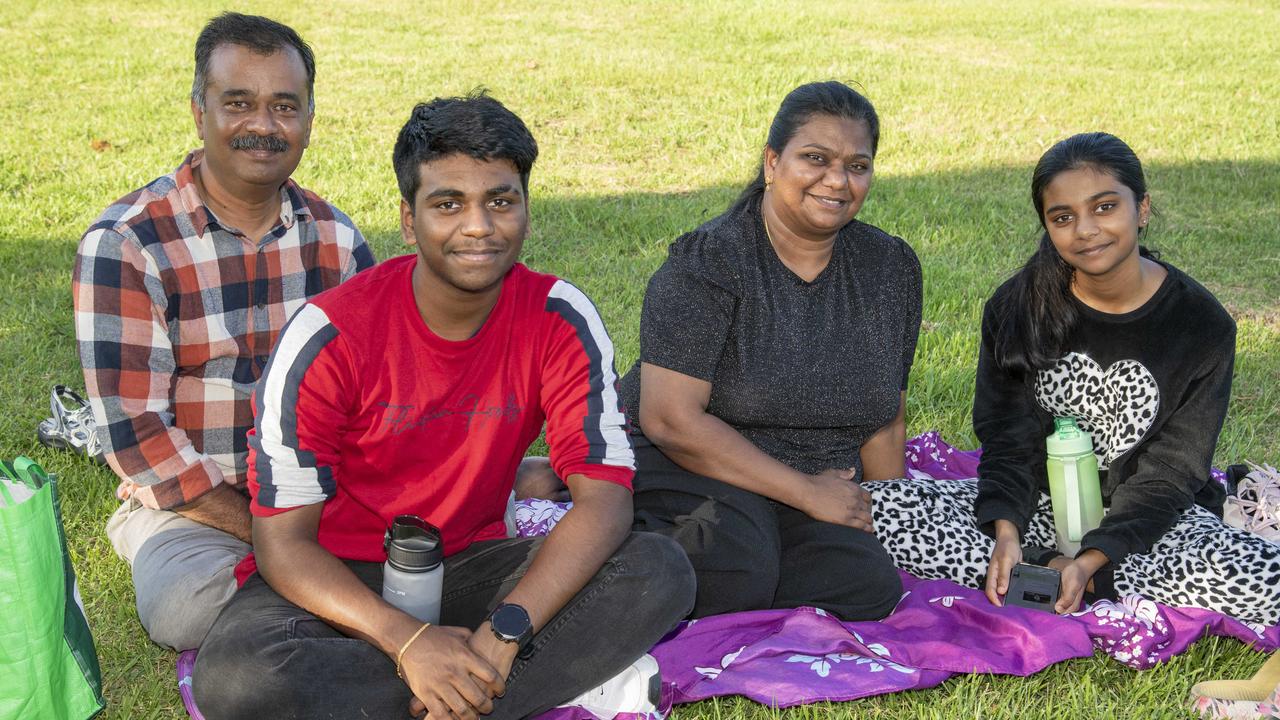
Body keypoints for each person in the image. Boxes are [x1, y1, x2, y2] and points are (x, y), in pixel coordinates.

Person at [193, 92, 696, 720]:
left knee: (657, 569)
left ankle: (459, 686)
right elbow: (283, 545)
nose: (479, 226)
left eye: (500, 201)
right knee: (236, 680)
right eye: (448, 203)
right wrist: (407, 642)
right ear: (409, 220)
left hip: (472, 564)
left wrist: (505, 633)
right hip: (344, 575)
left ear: (527, 210)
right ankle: (528, 684)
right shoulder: (327, 335)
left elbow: (605, 500)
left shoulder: (560, 318)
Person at [868, 132, 1280, 624]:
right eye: (1063, 217)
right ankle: (1038, 566)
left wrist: (1093, 557)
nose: (1086, 230)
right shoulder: (1016, 306)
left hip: (1146, 522)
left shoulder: (1202, 326)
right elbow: (1008, 441)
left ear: (1142, 208)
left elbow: (1171, 474)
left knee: (1264, 581)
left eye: (1105, 207)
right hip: (1036, 506)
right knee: (876, 511)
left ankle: (1059, 577)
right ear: (1047, 225)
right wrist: (1005, 533)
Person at [72, 12, 374, 651]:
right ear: (198, 110)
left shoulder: (339, 243)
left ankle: (322, 607)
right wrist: (274, 538)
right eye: (239, 103)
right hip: (196, 513)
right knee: (184, 607)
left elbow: (376, 395)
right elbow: (138, 438)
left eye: (284, 106)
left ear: (310, 119)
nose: (263, 126)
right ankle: (344, 602)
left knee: (446, 539)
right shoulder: (127, 245)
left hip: (320, 497)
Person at [619, 81, 920, 620]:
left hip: (816, 471)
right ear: (772, 162)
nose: (837, 181)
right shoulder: (707, 263)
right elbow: (669, 420)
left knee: (869, 585)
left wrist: (890, 514)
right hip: (692, 456)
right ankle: (613, 513)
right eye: (815, 159)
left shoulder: (891, 268)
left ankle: (758, 538)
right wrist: (806, 494)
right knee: (733, 572)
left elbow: (886, 417)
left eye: (857, 165)